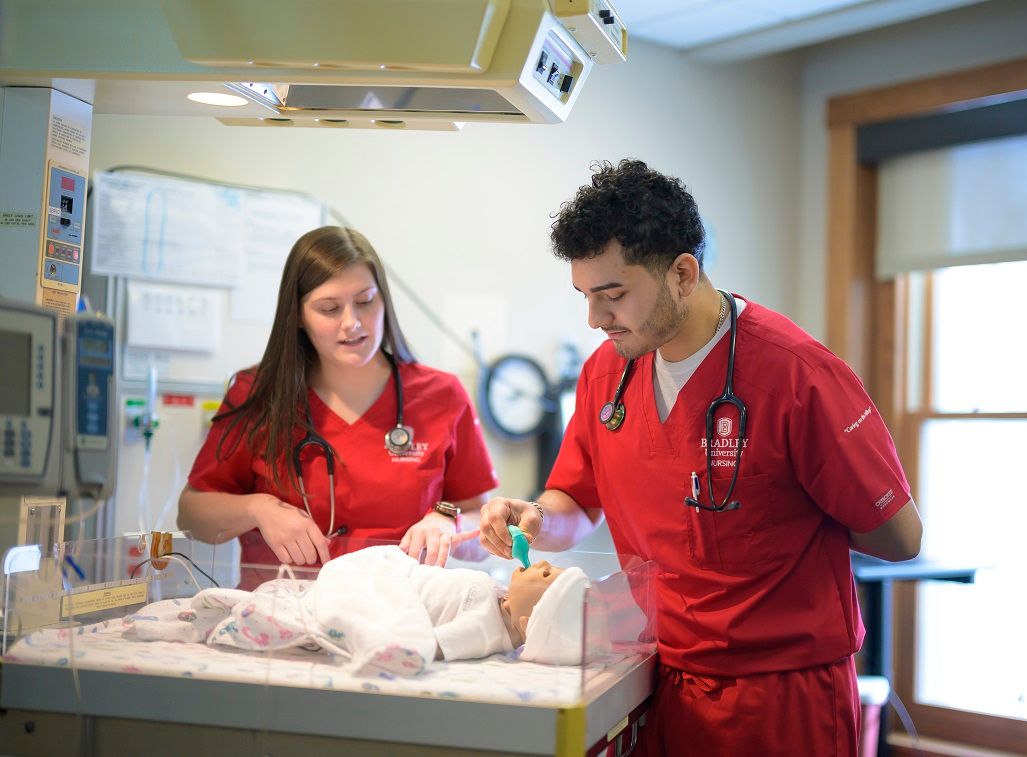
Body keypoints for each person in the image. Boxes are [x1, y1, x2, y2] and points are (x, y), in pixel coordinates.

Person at [478, 159, 923, 755]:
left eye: (613, 295)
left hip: (779, 696)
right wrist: (536, 516)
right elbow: (574, 505)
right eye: (586, 296)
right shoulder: (607, 372)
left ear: (683, 273)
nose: (595, 319)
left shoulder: (796, 375)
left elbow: (899, 537)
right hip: (657, 677)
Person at [178, 226, 498, 569]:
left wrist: (446, 520)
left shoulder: (442, 396)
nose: (353, 323)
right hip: (285, 610)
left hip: (401, 609)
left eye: (365, 301)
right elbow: (191, 515)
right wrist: (256, 509)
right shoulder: (257, 393)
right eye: (329, 309)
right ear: (298, 316)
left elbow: (483, 526)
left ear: (384, 300)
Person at [127, 545, 606, 675]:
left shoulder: (487, 630)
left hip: (384, 593)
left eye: (546, 576)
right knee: (294, 598)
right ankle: (215, 614)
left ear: (526, 625)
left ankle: (209, 623)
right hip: (383, 574)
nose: (540, 562)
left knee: (300, 607)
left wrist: (406, 646)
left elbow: (432, 643)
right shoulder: (496, 596)